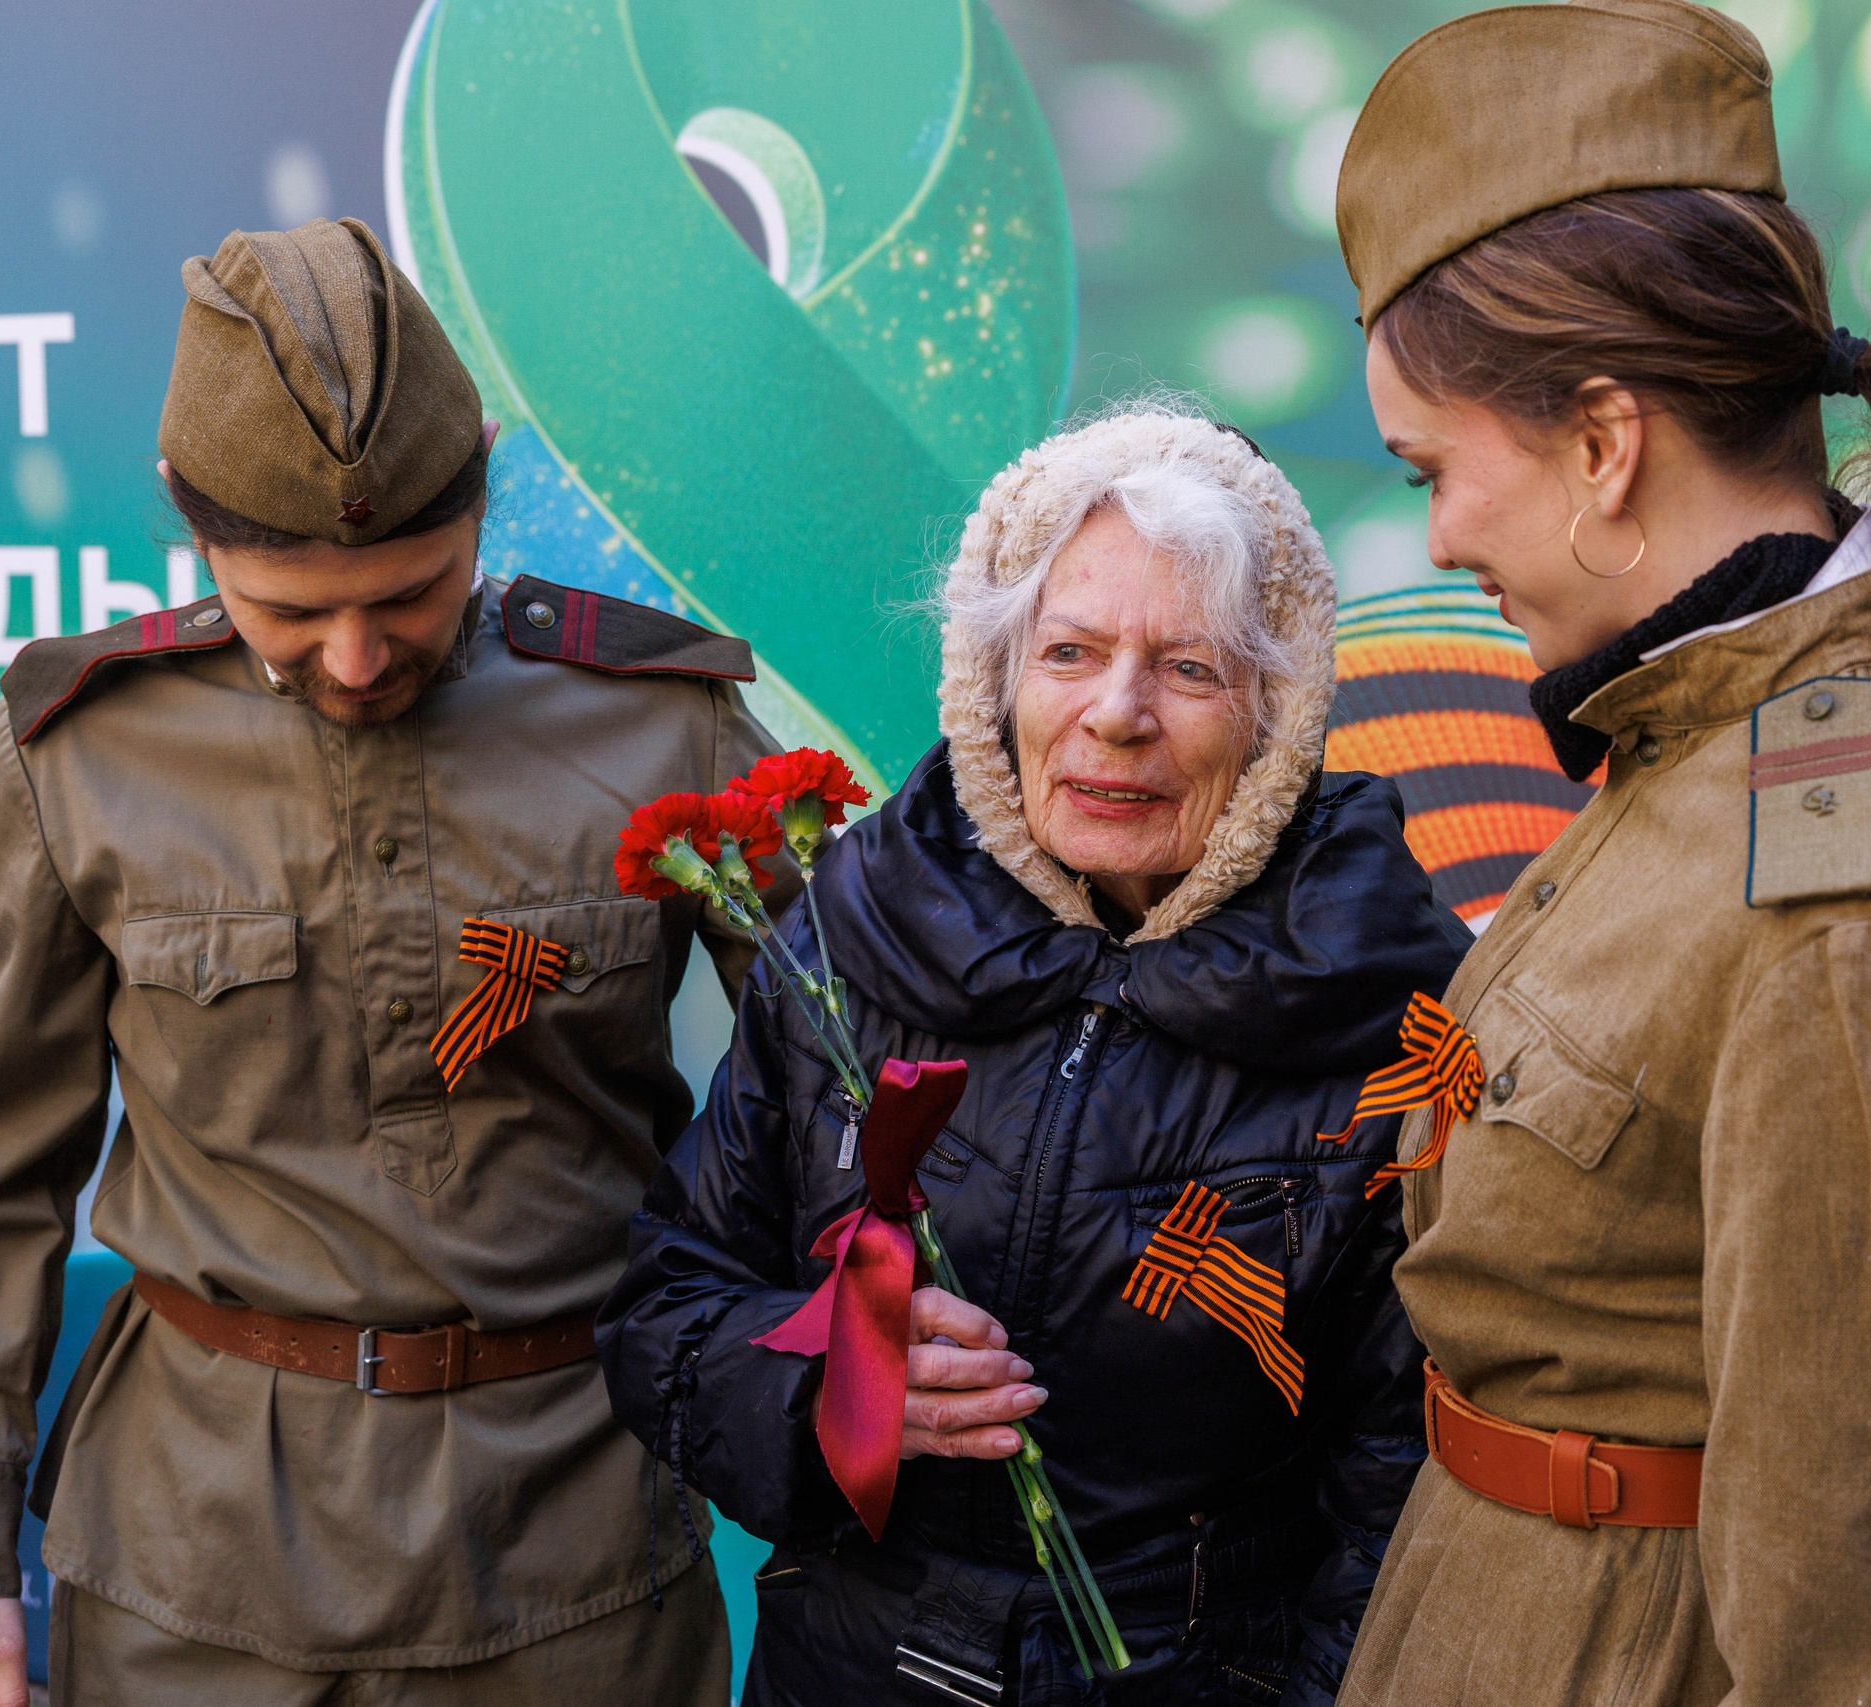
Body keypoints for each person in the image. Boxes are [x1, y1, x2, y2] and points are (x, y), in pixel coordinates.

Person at [1324, 4, 1871, 1704]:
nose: (1435, 538)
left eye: (1438, 469)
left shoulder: (1848, 903)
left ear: (1602, 442)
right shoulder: (1704, 740)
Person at [0, 217, 775, 1706]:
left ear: (483, 482)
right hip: (187, 1575)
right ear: (189, 527)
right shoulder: (83, 749)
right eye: (293, 615)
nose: (355, 660)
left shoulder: (663, 725)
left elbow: (850, 1075)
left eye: (409, 594)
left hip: (578, 1560)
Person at [598, 408, 1474, 1705]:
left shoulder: (1390, 1005)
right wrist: (827, 1393)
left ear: (1274, 711)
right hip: (853, 1665)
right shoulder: (857, 925)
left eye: (1187, 668)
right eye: (1069, 651)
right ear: (996, 678)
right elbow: (669, 1305)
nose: (1116, 715)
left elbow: (1408, 1483)